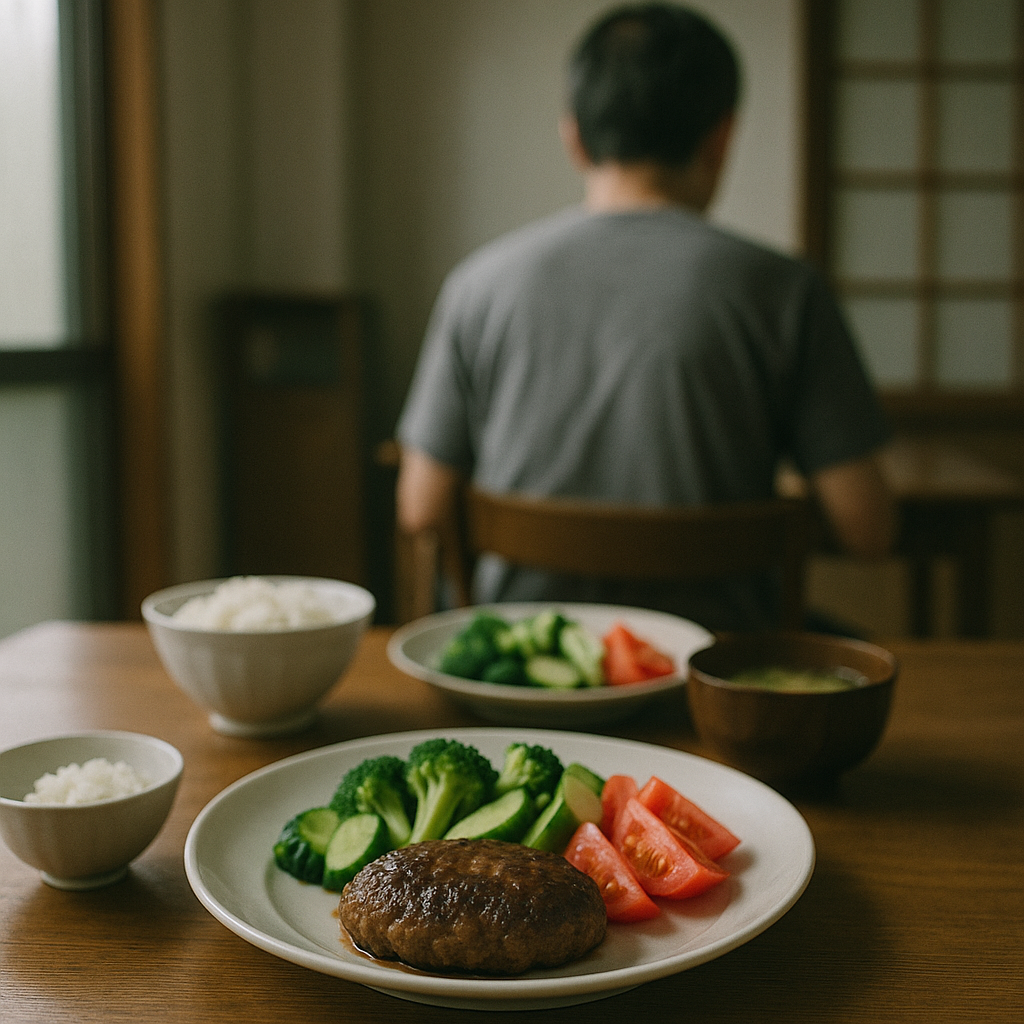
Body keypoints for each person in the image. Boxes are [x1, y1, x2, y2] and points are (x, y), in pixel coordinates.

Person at [394, 2, 895, 630]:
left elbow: (420, 509)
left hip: (523, 665)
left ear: (574, 136)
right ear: (721, 138)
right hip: (719, 674)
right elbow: (867, 527)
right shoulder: (788, 291)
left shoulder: (478, 284)